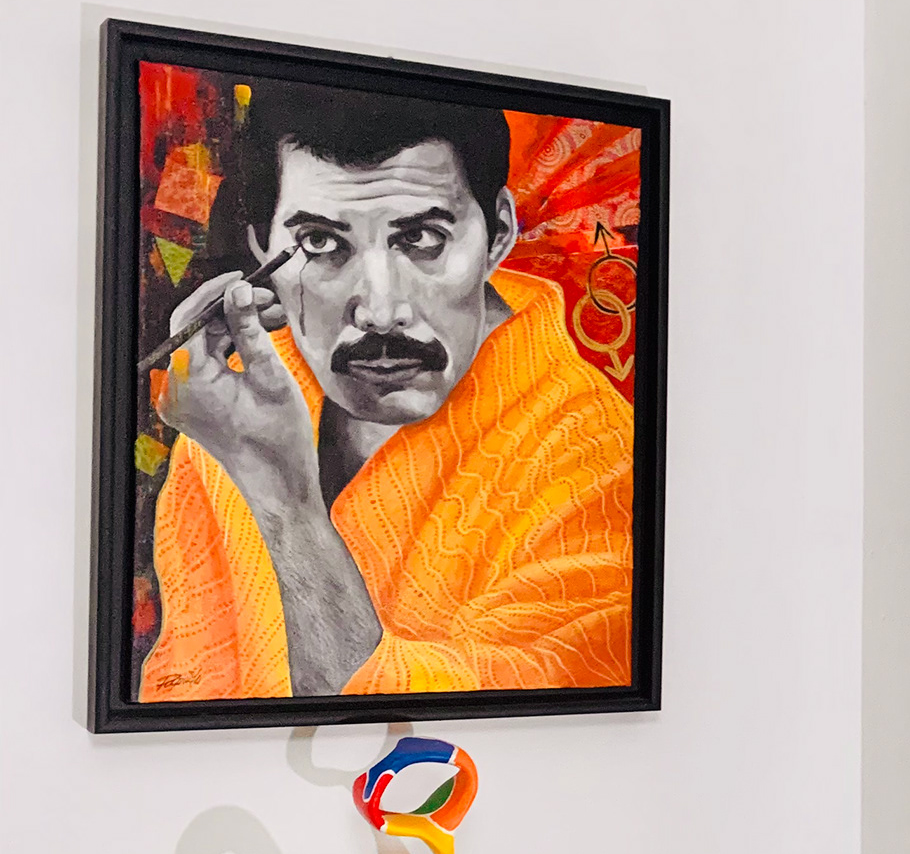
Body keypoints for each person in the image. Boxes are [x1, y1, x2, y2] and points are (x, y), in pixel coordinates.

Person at [139, 81, 634, 701]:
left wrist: (282, 501)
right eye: (320, 243)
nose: (379, 311)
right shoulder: (232, 406)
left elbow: (427, 728)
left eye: (423, 239)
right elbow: (185, 692)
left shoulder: (597, 458)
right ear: (262, 245)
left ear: (499, 234)